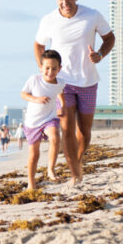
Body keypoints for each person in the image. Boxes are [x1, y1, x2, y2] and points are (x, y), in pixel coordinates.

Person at [33, 0, 115, 184]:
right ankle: (75, 174)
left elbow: (110, 38)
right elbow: (38, 45)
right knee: (67, 128)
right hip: (63, 83)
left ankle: (77, 162)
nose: (65, 2)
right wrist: (45, 70)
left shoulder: (92, 15)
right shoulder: (48, 20)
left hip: (88, 81)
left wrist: (100, 55)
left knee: (84, 132)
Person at [20, 49, 72, 189]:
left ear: (59, 69)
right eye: (47, 68)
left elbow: (60, 93)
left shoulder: (60, 83)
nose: (50, 71)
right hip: (32, 123)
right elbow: (23, 94)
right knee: (34, 155)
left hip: (50, 118)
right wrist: (36, 99)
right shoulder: (34, 80)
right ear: (41, 67)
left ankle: (50, 169)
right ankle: (31, 184)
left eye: (54, 68)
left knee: (55, 137)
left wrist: (62, 105)